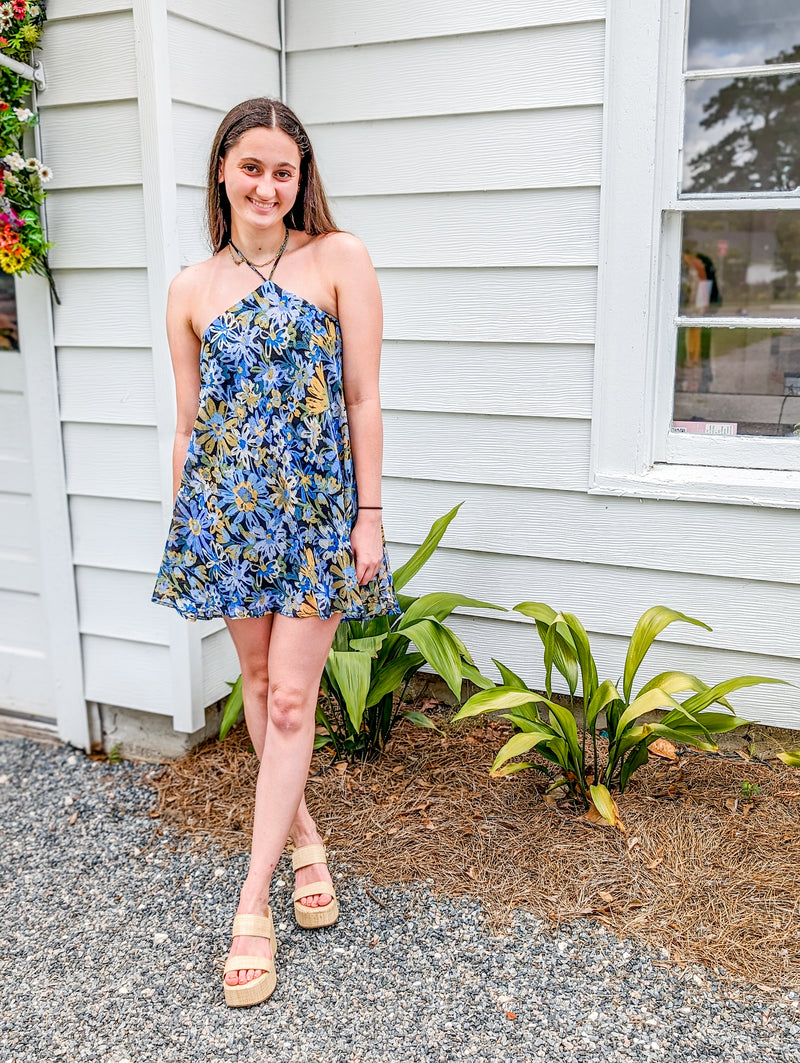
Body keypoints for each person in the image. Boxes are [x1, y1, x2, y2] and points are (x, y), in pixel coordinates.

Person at [151, 97, 399, 1007]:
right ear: (223, 170)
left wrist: (369, 514)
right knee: (258, 689)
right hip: (225, 513)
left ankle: (251, 904)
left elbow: (364, 397)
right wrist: (189, 518)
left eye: (282, 170)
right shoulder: (189, 287)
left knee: (293, 697)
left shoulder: (341, 259)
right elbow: (190, 421)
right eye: (250, 167)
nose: (266, 184)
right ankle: (303, 840)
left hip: (317, 514)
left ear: (302, 180)